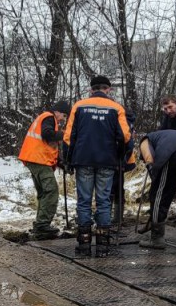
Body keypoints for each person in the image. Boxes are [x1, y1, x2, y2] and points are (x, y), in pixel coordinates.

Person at [63, 75, 131, 257]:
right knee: (103, 201)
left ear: (91, 89)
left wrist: (67, 160)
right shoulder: (116, 108)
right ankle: (103, 246)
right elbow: (125, 136)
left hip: (83, 159)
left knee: (84, 201)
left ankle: (84, 245)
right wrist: (121, 156)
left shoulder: (79, 106)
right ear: (108, 89)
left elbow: (69, 137)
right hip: (107, 162)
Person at [18, 100, 70, 240]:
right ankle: (42, 226)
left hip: (35, 158)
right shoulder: (48, 117)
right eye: (63, 116)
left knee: (43, 193)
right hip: (38, 159)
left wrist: (61, 164)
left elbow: (48, 145)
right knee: (51, 191)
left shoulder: (46, 118)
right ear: (57, 111)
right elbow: (47, 134)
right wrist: (64, 134)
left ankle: (40, 224)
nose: (63, 119)